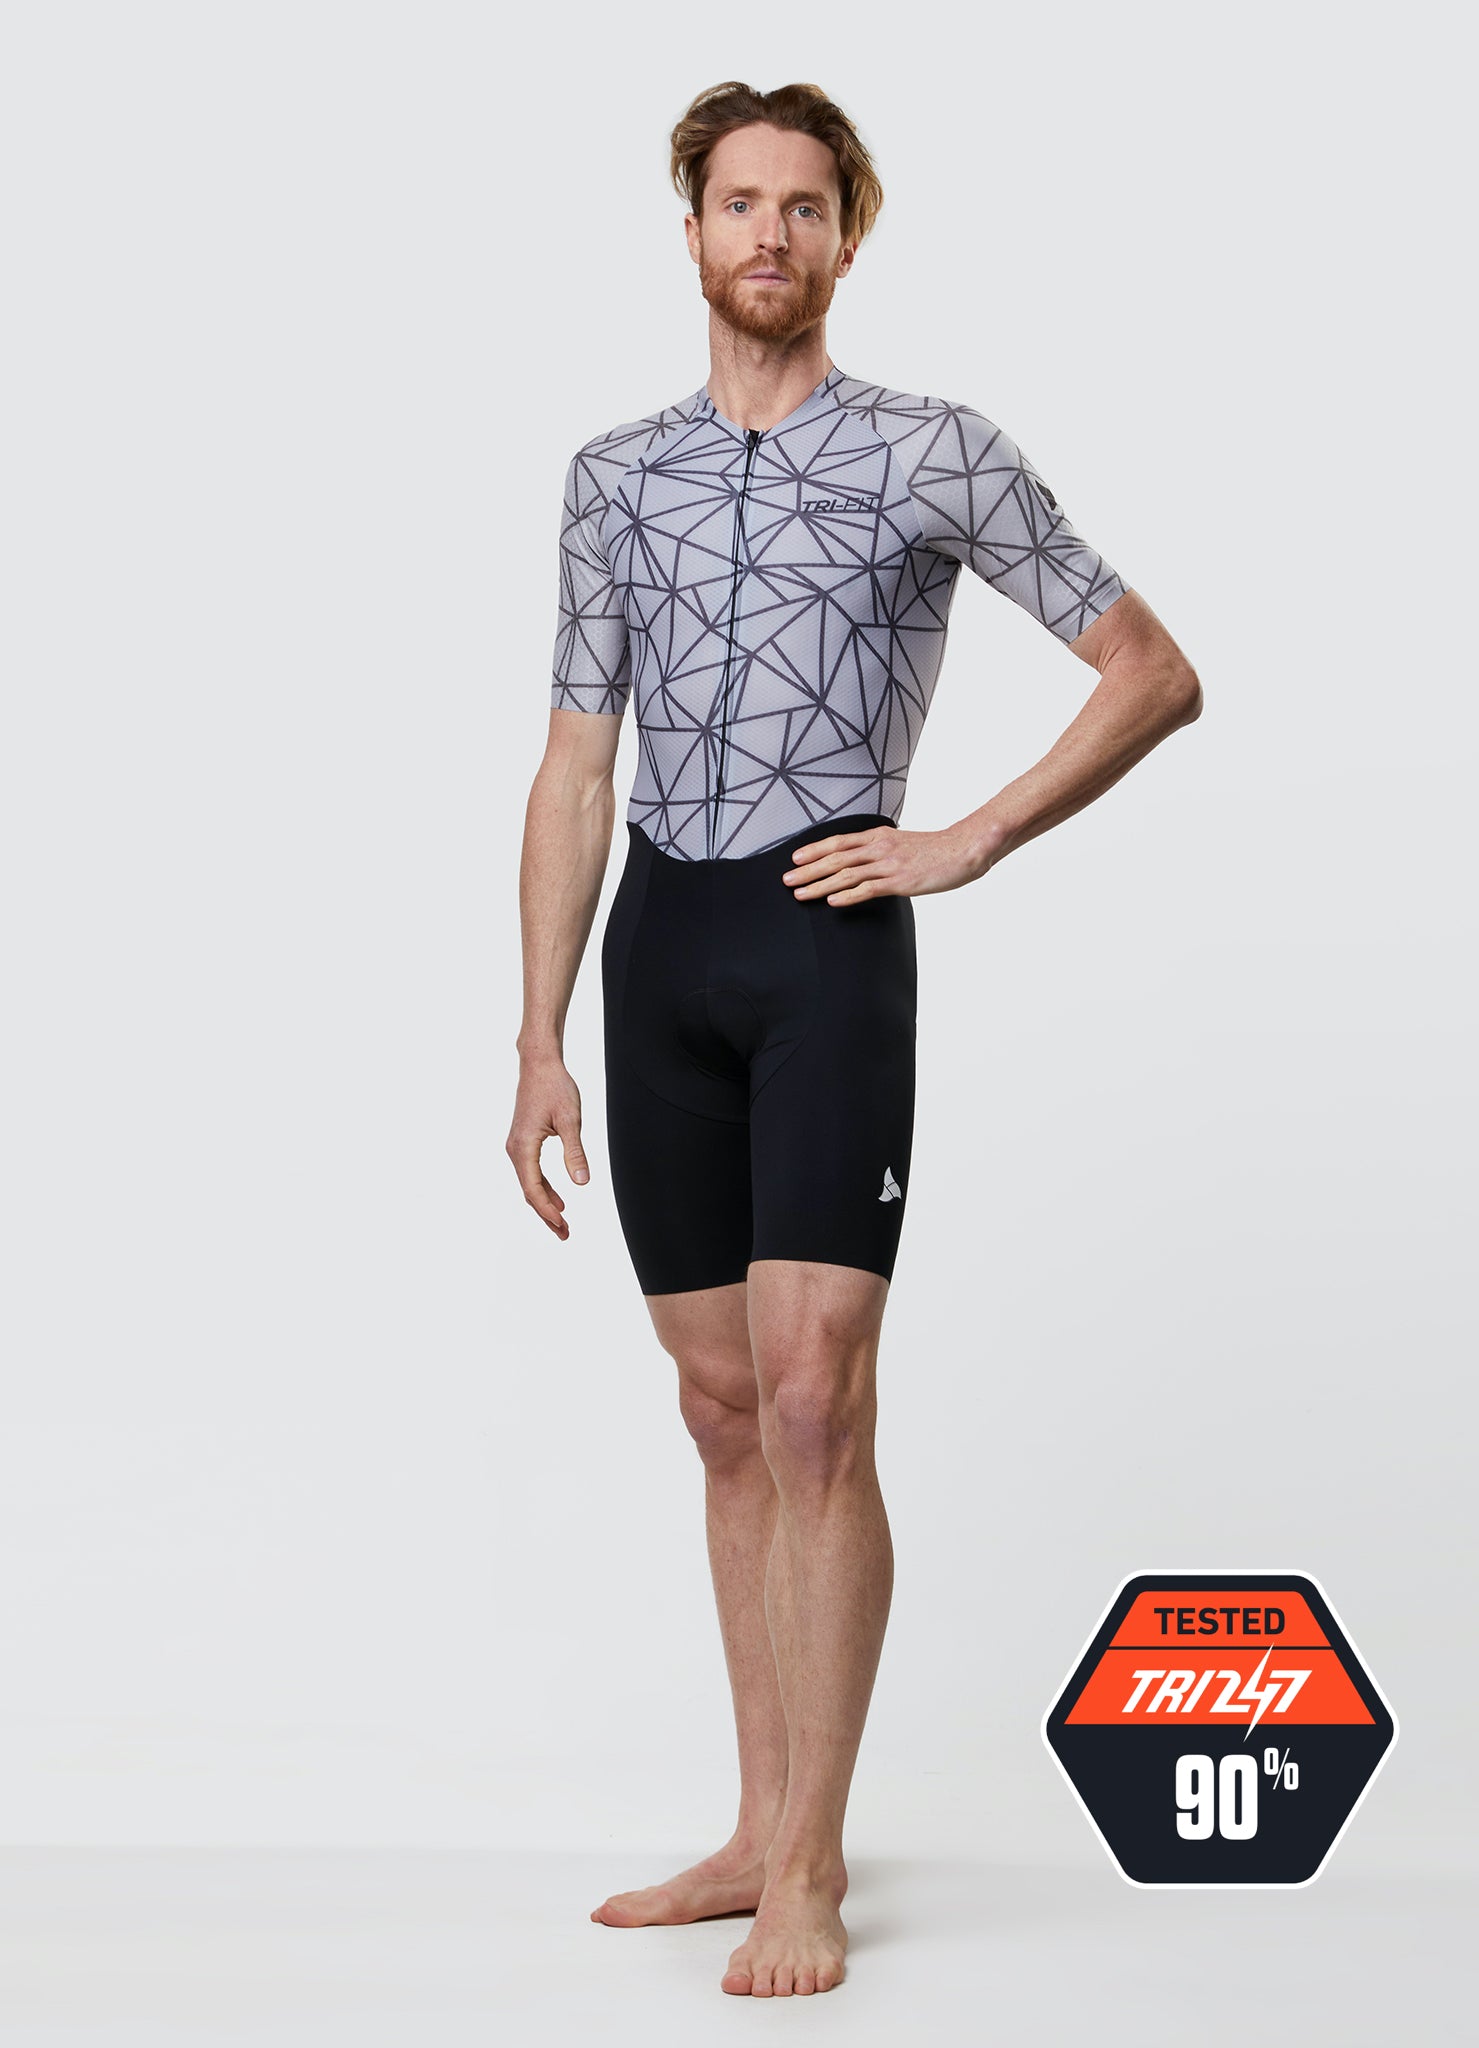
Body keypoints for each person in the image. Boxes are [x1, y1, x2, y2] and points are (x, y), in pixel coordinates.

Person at [508, 79, 1201, 1998]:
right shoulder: (614, 476)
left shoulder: (929, 452)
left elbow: (1152, 670)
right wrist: (537, 1036)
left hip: (826, 949)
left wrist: (967, 836)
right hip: (660, 951)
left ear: (846, 234)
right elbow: (575, 767)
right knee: (721, 1408)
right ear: (692, 230)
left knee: (817, 1400)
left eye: (806, 207)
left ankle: (813, 1861)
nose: (772, 234)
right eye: (741, 202)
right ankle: (754, 1826)